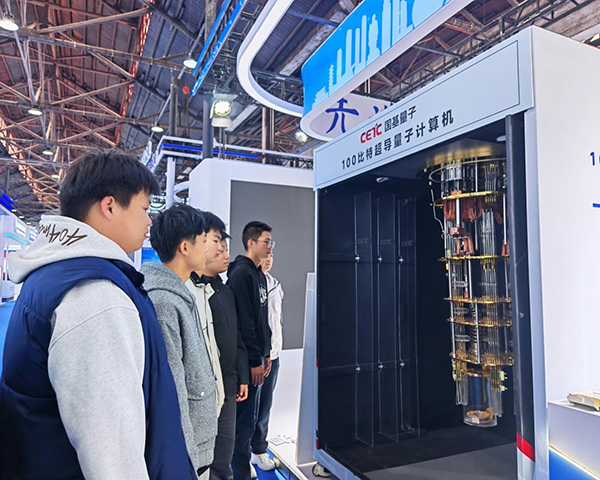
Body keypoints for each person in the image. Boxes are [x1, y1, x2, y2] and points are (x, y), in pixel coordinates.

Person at [0, 150, 196, 480]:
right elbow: (112, 453)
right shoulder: (96, 296)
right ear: (109, 206)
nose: (149, 221)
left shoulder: (57, 273)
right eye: (144, 208)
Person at [141, 204, 218, 477]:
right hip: (187, 451)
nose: (209, 249)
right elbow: (172, 391)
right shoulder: (164, 302)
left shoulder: (177, 293)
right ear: (185, 247)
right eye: (203, 241)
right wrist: (185, 456)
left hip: (196, 443)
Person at [191, 216, 250, 480]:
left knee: (224, 454)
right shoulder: (190, 290)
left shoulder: (224, 291)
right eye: (217, 242)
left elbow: (236, 336)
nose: (224, 253)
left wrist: (241, 376)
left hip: (228, 383)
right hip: (202, 390)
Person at [227, 221, 274, 480]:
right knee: (243, 424)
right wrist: (255, 360)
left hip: (259, 358)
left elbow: (261, 319)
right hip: (246, 362)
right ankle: (239, 473)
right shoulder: (241, 275)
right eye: (266, 241)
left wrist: (266, 353)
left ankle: (244, 467)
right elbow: (245, 323)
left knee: (252, 419)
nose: (270, 247)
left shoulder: (259, 275)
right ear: (251, 243)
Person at [251, 252, 284, 472]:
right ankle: (243, 455)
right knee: (250, 409)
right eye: (266, 255)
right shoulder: (249, 283)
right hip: (256, 358)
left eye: (272, 254)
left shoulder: (275, 284)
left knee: (265, 406)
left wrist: (274, 352)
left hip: (273, 355)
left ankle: (258, 451)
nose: (270, 258)